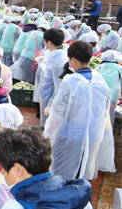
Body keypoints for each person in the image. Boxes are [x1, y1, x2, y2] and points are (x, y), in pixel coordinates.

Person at [44, 41, 111, 181]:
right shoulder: (100, 80)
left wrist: (48, 134)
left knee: (64, 171)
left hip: (71, 136)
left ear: (73, 60)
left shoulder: (70, 82)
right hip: (93, 134)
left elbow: (57, 114)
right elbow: (105, 111)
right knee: (84, 167)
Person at [40, 28, 67, 121]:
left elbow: (59, 87)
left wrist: (50, 105)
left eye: (45, 41)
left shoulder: (59, 61)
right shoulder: (53, 55)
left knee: (48, 128)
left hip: (50, 99)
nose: (44, 43)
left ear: (50, 43)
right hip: (46, 96)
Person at [94, 50, 122, 125]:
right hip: (112, 97)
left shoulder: (98, 68)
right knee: (109, 117)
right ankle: (108, 134)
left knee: (98, 118)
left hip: (97, 96)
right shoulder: (119, 68)